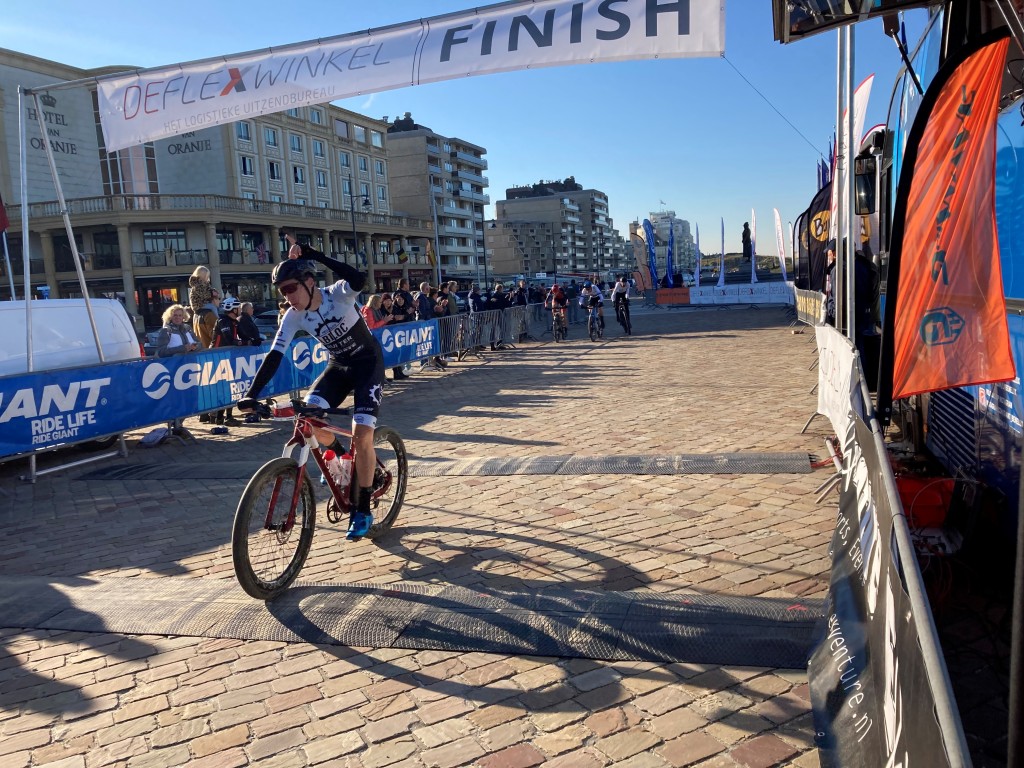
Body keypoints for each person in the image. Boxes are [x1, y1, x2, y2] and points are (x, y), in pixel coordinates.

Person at [237, 235, 384, 540]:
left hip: (367, 365)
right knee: (309, 418)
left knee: (363, 434)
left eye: (291, 288)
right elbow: (275, 354)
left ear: (309, 282)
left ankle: (363, 508)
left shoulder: (339, 294)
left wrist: (314, 253)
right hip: (338, 366)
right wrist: (252, 393)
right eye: (282, 291)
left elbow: (359, 278)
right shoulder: (293, 315)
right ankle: (344, 462)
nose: (288, 297)